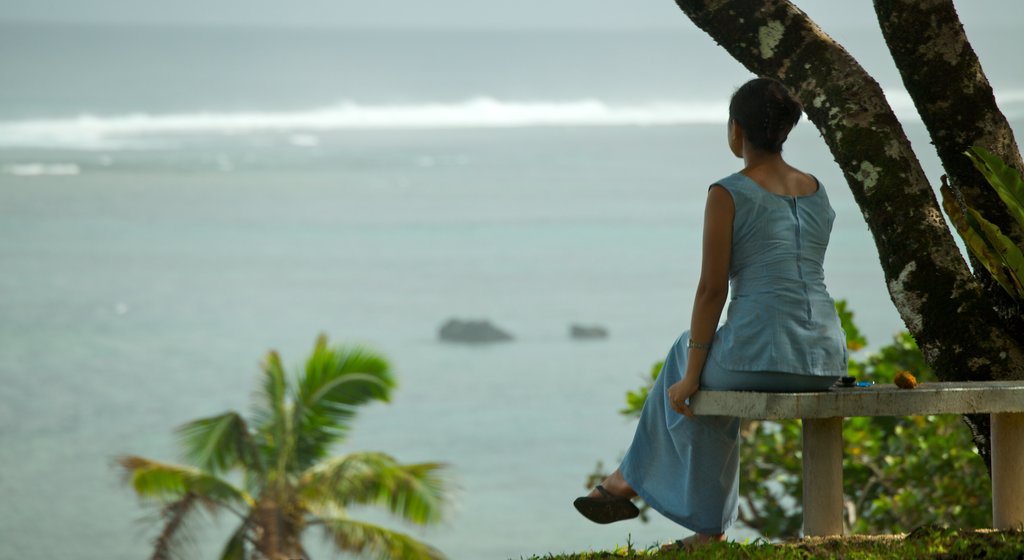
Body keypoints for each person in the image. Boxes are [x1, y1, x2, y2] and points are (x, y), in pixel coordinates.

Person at [573, 77, 848, 550]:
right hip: (824, 361)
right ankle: (637, 490)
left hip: (760, 356)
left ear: (736, 130)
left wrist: (690, 375)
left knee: (688, 355)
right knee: (699, 369)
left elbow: (710, 289)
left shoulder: (728, 191)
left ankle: (646, 493)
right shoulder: (818, 191)